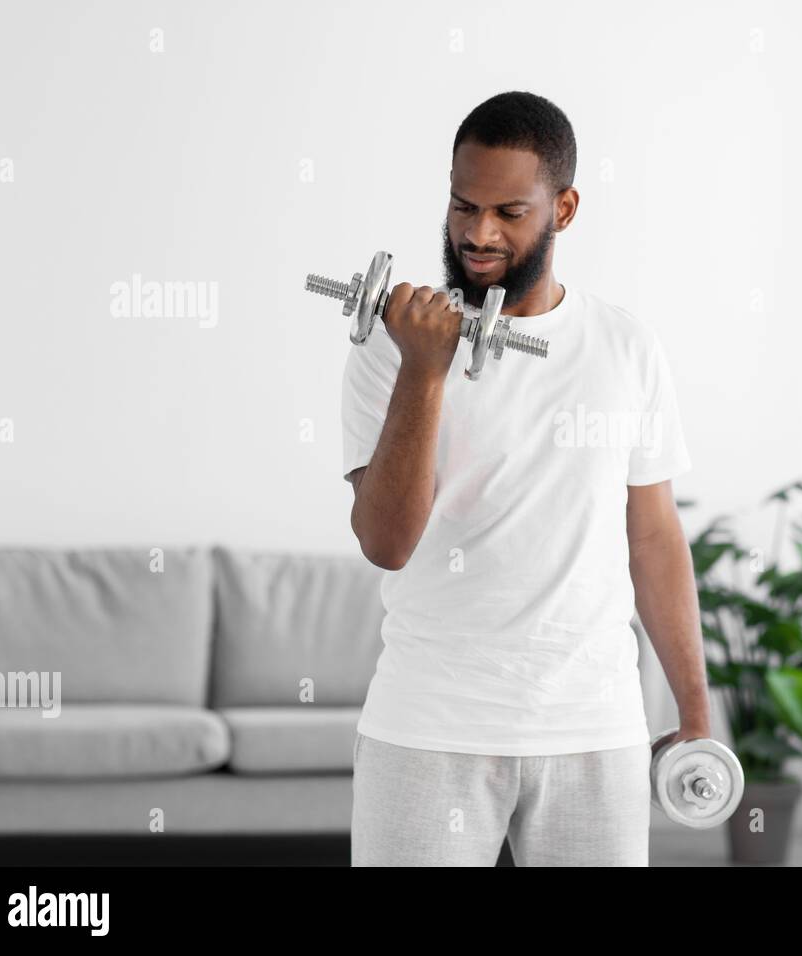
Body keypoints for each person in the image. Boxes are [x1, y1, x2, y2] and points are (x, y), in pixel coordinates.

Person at [343, 91, 709, 866]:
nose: (478, 234)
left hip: (593, 727)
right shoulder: (390, 344)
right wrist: (425, 372)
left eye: (509, 212)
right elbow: (386, 542)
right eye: (463, 205)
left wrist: (696, 709)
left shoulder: (625, 347)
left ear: (564, 209)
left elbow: (653, 537)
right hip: (427, 726)